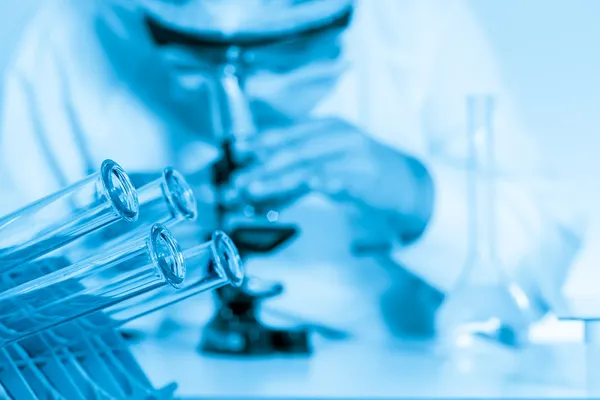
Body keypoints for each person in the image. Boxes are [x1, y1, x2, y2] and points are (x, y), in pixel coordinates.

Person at [0, 0, 581, 340]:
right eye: (192, 57)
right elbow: (14, 306)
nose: (236, 108)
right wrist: (113, 248)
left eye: (284, 57)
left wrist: (411, 190)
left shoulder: (421, 23)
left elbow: (546, 257)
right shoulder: (71, 28)